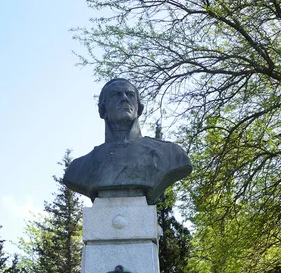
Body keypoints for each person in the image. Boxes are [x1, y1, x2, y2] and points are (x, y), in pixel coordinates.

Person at [63, 78, 192, 204]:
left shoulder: (170, 154)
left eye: (130, 95)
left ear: (138, 108)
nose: (124, 98)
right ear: (103, 110)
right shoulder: (80, 167)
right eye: (115, 95)